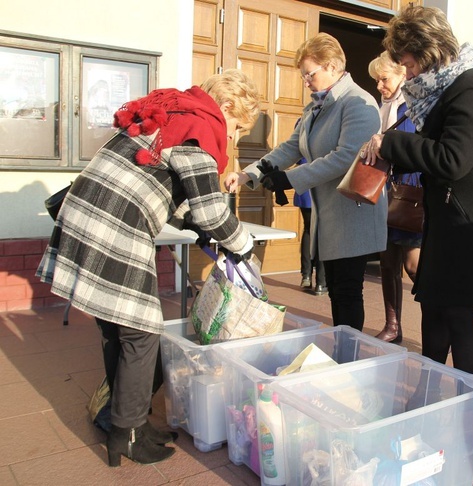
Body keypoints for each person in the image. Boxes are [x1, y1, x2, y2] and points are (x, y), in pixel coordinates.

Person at [36, 69, 259, 467]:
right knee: (142, 332)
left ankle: (126, 421)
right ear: (225, 107)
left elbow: (168, 189)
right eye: (238, 126)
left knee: (114, 323)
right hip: (113, 222)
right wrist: (244, 246)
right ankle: (127, 433)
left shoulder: (172, 111)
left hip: (87, 212)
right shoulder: (202, 124)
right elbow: (211, 212)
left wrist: (199, 222)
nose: (235, 137)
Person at [360, 5, 473, 375]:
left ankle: (463, 405)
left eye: (408, 62)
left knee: (459, 317)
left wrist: (392, 144)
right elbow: (434, 152)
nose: (407, 71)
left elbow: (452, 159)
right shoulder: (447, 87)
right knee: (434, 309)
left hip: (469, 220)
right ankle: (429, 392)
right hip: (448, 217)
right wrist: (390, 156)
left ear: (426, 49)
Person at [225, 32, 382, 331]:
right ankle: (343, 354)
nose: (305, 81)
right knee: (337, 292)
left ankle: (347, 359)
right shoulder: (315, 106)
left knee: (347, 293)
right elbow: (290, 147)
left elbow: (346, 157)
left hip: (353, 215)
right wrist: (249, 173)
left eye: (309, 74)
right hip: (329, 216)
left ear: (333, 67)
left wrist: (289, 178)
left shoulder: (358, 102)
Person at [368, 51, 420, 344]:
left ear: (402, 73)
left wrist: (385, 145)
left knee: (413, 264)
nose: (379, 85)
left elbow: (415, 148)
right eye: (376, 80)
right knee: (388, 263)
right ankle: (393, 327)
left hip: (409, 191)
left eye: (383, 79)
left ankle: (438, 319)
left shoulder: (412, 106)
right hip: (383, 192)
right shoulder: (379, 107)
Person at [293, 156, 327, 295]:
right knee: (323, 233)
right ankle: (321, 282)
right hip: (321, 187)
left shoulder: (299, 133)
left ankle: (306, 275)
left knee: (308, 230)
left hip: (305, 186)